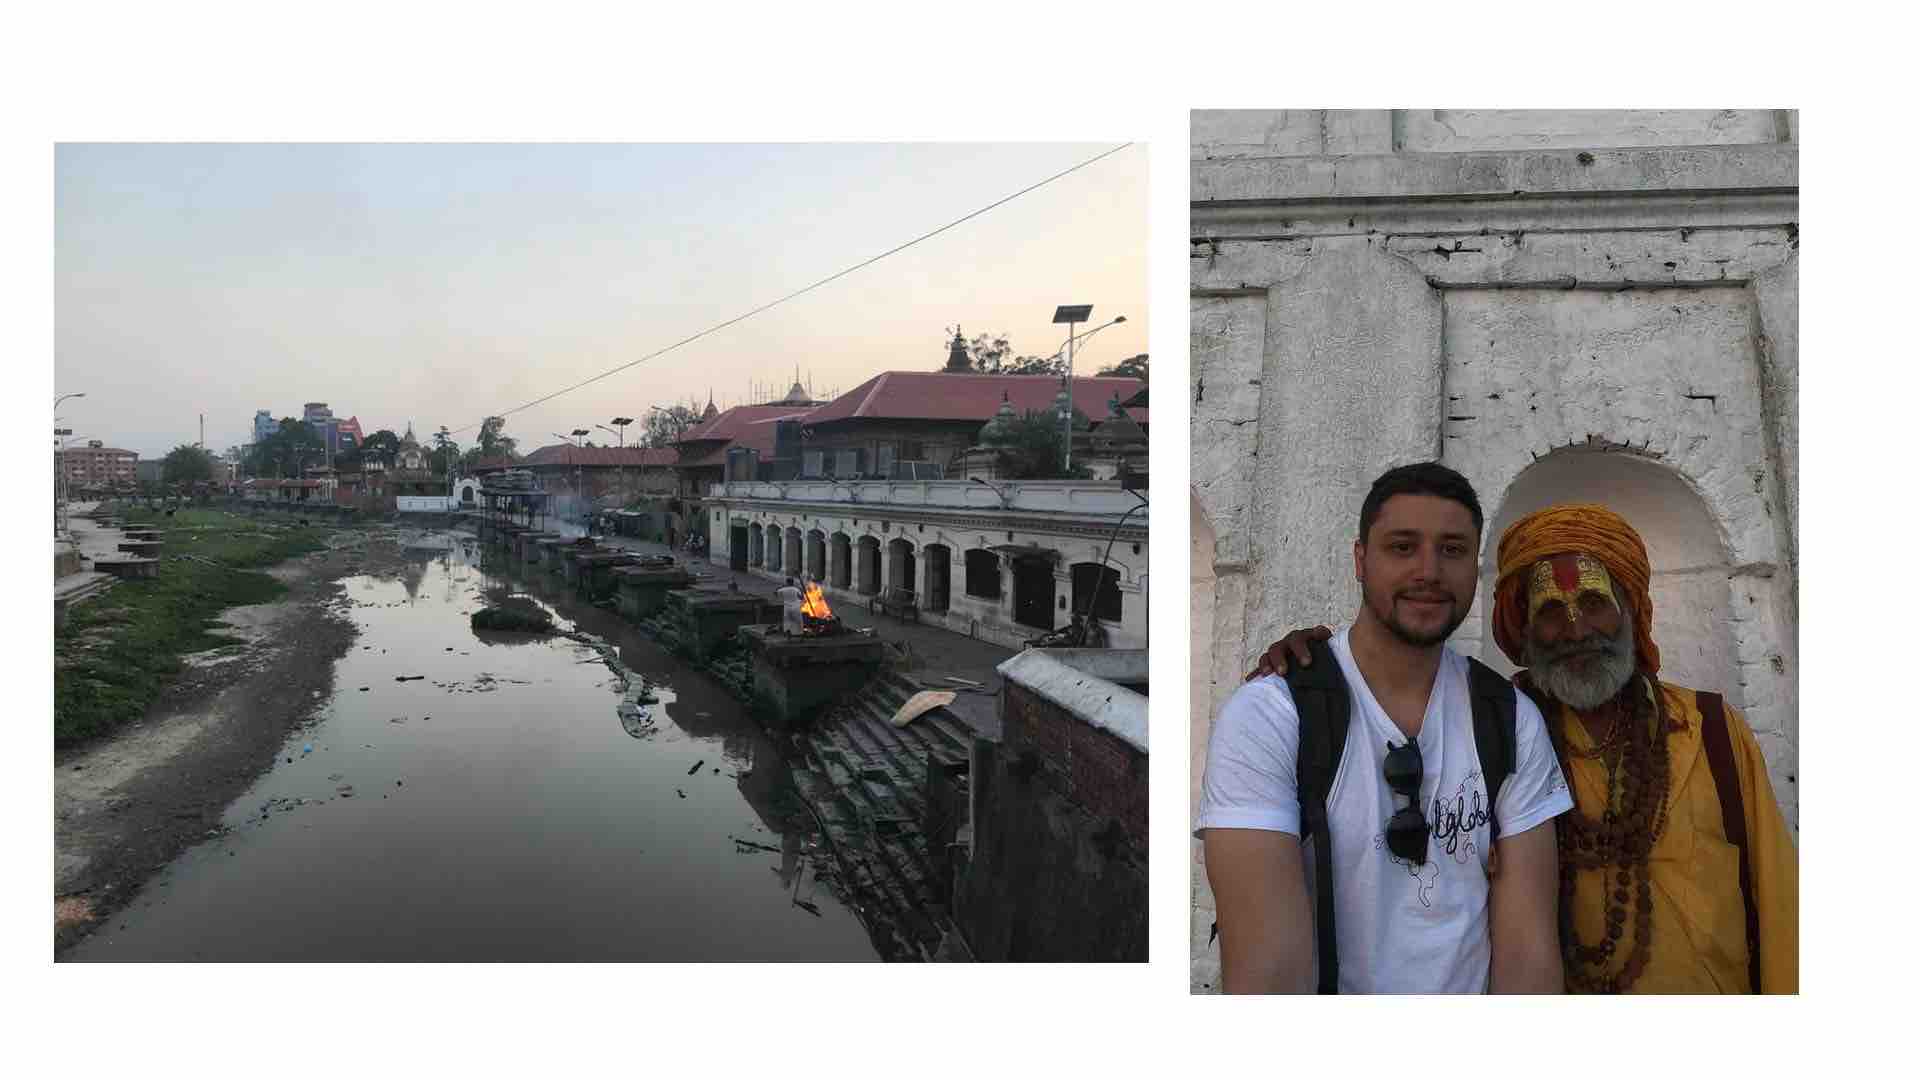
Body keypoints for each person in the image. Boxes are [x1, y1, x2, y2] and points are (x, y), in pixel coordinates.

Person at [1252, 502, 1798, 993]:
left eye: (1593, 602)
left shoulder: (1713, 728)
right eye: (1551, 612)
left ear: (1632, 609)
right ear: (1525, 629)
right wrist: (1319, 670)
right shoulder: (1493, 730)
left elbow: (1780, 903)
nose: (1577, 628)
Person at [1198, 463, 1571, 993]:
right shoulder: (1271, 716)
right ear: (1360, 559)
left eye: (1453, 550)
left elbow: (1528, 952)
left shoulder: (1509, 719)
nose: (1429, 571)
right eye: (1402, 547)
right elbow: (1268, 971)